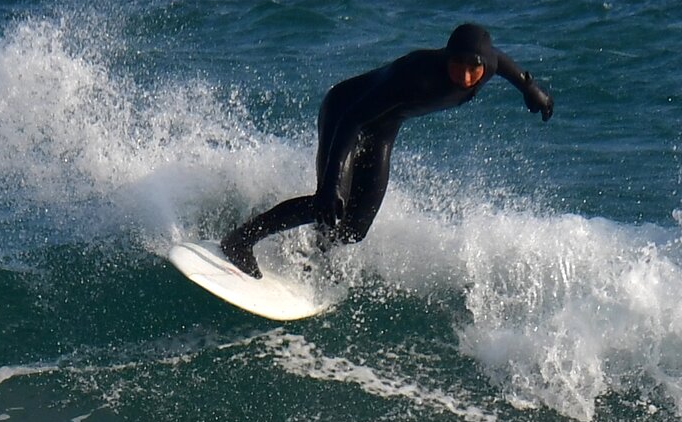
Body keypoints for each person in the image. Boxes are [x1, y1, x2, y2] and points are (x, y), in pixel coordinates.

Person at [220, 23, 554, 278]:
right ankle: (241, 239)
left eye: (475, 67)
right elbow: (351, 120)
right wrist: (331, 185)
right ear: (446, 56)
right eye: (459, 64)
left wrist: (531, 89)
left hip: (383, 128)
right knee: (329, 202)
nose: (466, 76)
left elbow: (506, 65)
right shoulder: (417, 78)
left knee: (355, 229)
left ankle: (312, 257)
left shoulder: (488, 65)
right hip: (346, 113)